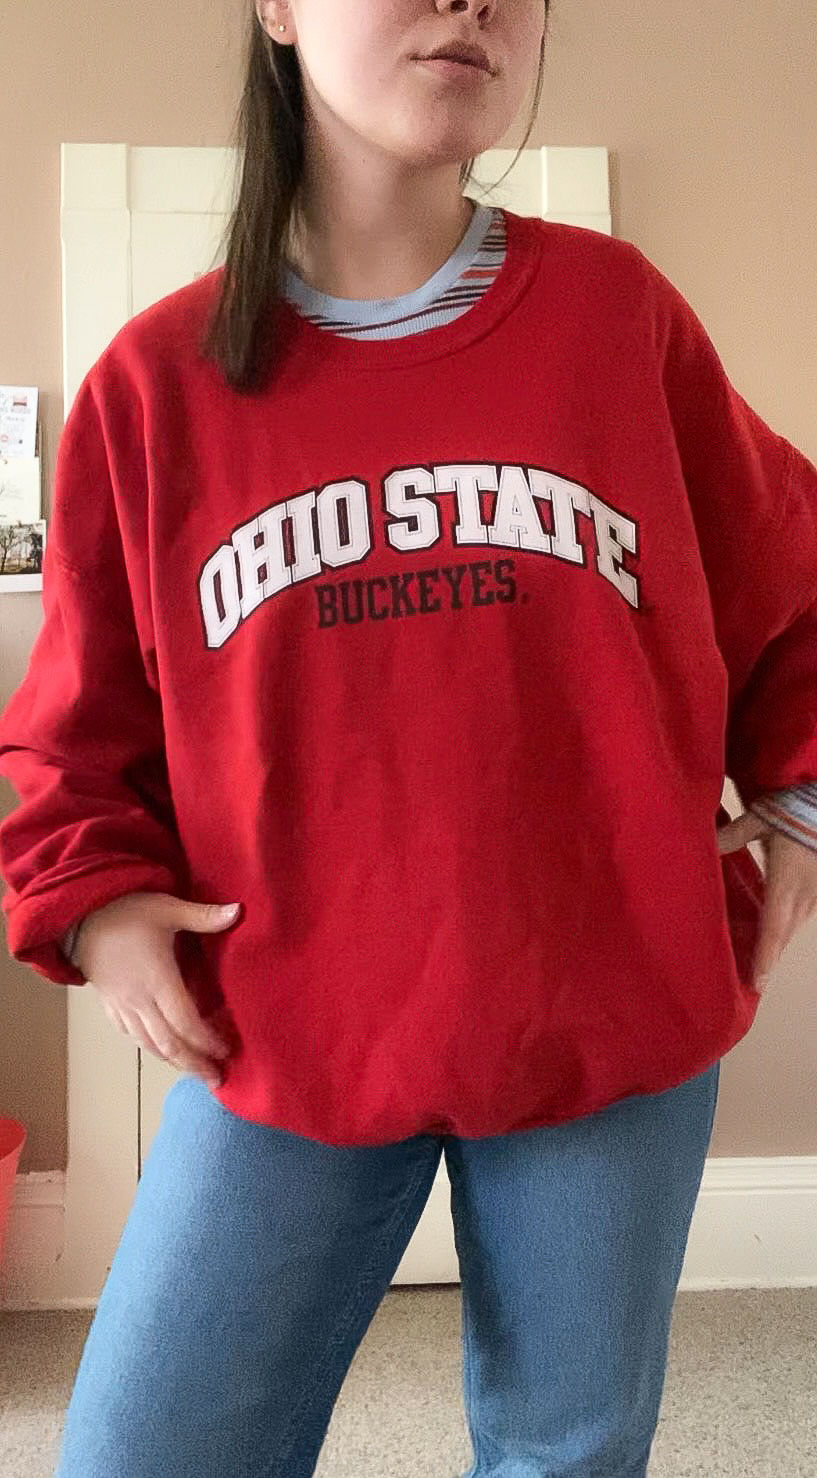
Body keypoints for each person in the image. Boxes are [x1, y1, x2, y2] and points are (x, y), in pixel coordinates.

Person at [1, 3, 816, 1475]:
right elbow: (69, 730)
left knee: (565, 1456)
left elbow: (794, 578)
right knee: (143, 1451)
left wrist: (802, 794)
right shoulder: (154, 384)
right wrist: (101, 899)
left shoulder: (613, 318)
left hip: (604, 1005)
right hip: (283, 1023)